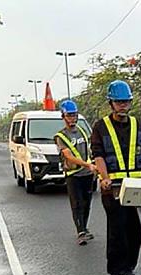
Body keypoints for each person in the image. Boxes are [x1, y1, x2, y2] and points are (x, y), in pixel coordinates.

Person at [91, 80, 141, 275]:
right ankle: (116, 271)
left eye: (126, 101)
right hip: (113, 188)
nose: (123, 105)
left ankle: (129, 268)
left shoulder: (138, 125)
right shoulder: (100, 127)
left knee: (136, 228)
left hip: (137, 186)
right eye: (118, 102)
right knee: (117, 229)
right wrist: (104, 177)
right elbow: (98, 155)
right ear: (111, 103)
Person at [55, 99, 98, 245]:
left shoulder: (82, 132)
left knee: (87, 203)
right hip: (73, 175)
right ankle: (80, 232)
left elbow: (90, 150)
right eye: (69, 115)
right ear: (63, 116)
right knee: (77, 204)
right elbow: (68, 156)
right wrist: (87, 164)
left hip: (87, 174)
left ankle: (84, 228)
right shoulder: (60, 136)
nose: (72, 118)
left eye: (74, 115)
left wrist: (94, 165)